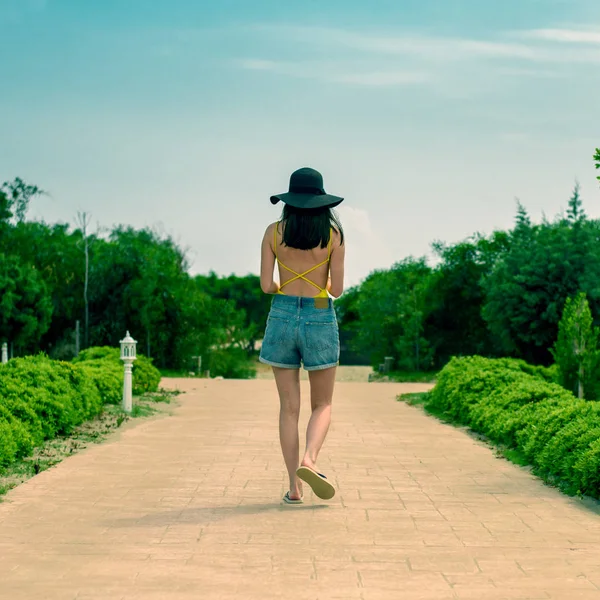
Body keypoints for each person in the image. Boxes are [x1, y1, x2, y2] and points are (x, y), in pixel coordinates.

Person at [259, 167, 345, 504]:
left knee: (288, 409)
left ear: (289, 201)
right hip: (319, 314)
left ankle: (294, 489)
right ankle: (310, 460)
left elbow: (267, 285)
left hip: (281, 315)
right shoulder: (334, 235)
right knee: (322, 404)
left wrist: (285, 287)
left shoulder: (272, 232)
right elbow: (336, 289)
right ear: (323, 202)